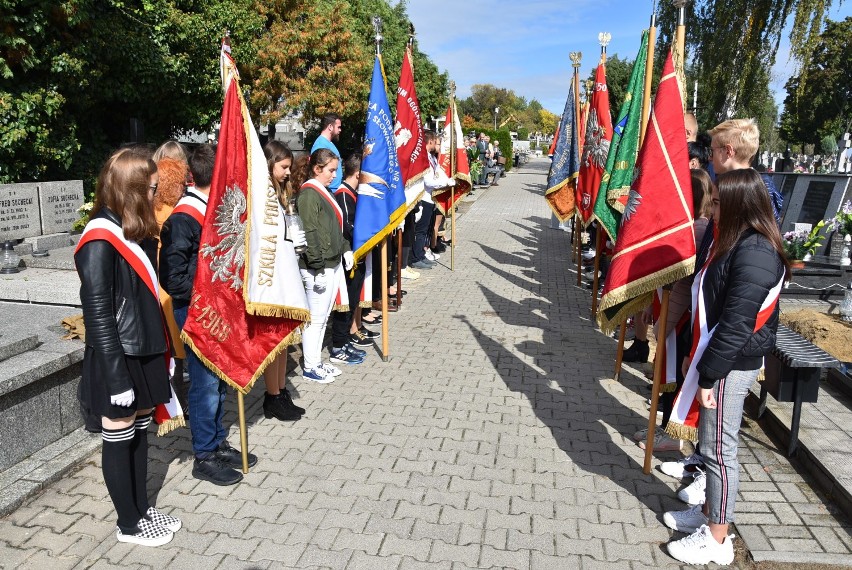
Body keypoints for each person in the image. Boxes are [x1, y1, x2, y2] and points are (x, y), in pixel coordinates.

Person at [665, 168, 788, 565]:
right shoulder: (738, 243)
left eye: (717, 202)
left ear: (737, 205)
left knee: (719, 450)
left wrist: (710, 372)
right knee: (710, 445)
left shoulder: (756, 253)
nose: (711, 207)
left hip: (732, 364)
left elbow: (736, 323)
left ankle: (717, 540)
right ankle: (708, 515)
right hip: (723, 359)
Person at [75, 146, 181, 547]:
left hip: (141, 351)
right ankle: (128, 524)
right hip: (117, 359)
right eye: (152, 189)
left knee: (139, 434)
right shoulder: (99, 239)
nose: (157, 196)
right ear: (132, 190)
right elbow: (99, 315)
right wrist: (118, 378)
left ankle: (140, 509)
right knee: (119, 439)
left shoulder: (123, 227)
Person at [160, 144, 256, 486]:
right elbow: (172, 278)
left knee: (218, 380)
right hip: (199, 310)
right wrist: (210, 290)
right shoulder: (184, 217)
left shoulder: (212, 210)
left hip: (220, 308)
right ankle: (203, 454)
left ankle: (216, 440)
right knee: (204, 384)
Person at [294, 148, 361, 382]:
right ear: (317, 169)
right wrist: (318, 267)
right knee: (316, 318)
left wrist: (345, 248)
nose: (335, 175)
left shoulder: (322, 191)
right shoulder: (309, 194)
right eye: (331, 170)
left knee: (322, 318)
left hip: (331, 263)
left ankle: (316, 362)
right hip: (317, 267)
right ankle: (310, 366)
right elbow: (311, 233)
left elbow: (334, 227)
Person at [260, 140, 308, 422]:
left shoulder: (279, 194)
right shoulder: (263, 198)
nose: (289, 172)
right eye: (284, 167)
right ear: (269, 164)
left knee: (283, 341)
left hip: (284, 272)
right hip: (272, 279)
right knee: (274, 342)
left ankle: (279, 392)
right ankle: (272, 396)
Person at [331, 153, 380, 357]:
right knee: (349, 300)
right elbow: (347, 227)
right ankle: (344, 338)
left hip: (358, 254)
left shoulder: (354, 193)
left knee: (357, 296)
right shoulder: (343, 194)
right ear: (358, 174)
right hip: (350, 255)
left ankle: (354, 328)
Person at [709, 118, 783, 225]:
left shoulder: (759, 188)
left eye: (712, 150)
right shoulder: (724, 184)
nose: (710, 158)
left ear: (728, 151)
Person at [411, 129, 451, 270]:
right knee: (420, 231)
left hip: (431, 197)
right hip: (424, 197)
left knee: (425, 230)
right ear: (430, 142)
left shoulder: (431, 157)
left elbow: (437, 174)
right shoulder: (424, 157)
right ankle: (416, 258)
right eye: (436, 142)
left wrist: (447, 180)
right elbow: (428, 181)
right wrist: (446, 183)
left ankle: (421, 254)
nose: (437, 145)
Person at [311, 113, 344, 192]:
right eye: (338, 127)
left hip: (334, 190)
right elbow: (318, 171)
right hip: (328, 190)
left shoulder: (330, 143)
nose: (340, 130)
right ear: (330, 127)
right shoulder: (320, 145)